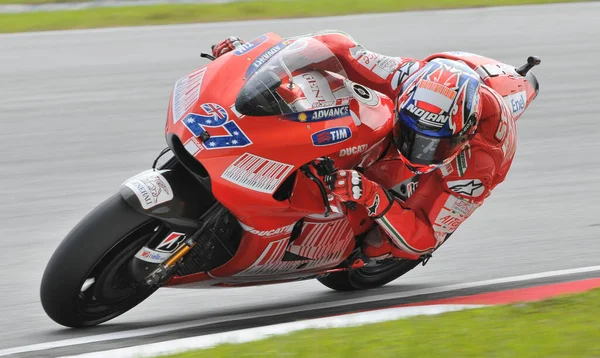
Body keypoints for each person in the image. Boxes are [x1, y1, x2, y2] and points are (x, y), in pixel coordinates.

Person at [211, 32, 520, 262]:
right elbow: (335, 48)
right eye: (413, 136)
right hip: (438, 84)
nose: (418, 151)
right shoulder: (401, 77)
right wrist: (254, 63)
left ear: (463, 135)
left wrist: (371, 195)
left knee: (380, 245)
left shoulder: (478, 165)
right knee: (337, 94)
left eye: (432, 145)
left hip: (464, 162)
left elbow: (424, 238)